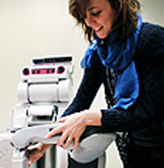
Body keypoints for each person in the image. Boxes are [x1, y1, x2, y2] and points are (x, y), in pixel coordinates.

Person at [28, 0, 164, 167]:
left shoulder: (153, 40)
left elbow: (146, 113)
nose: (89, 22)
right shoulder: (100, 51)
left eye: (95, 13)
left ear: (117, 5)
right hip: (134, 151)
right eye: (84, 16)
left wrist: (88, 118)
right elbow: (80, 103)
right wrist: (45, 143)